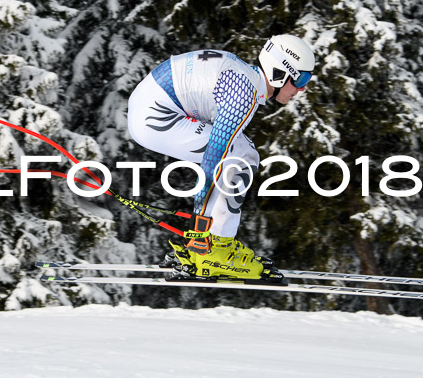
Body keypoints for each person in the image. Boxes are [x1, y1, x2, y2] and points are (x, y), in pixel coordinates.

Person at [127, 34, 315, 282]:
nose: (301, 88)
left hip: (150, 106)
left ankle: (209, 244)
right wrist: (200, 226)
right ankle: (216, 250)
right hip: (155, 116)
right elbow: (215, 158)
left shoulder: (245, 79)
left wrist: (198, 227)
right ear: (280, 72)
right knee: (240, 155)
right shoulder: (243, 94)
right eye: (301, 78)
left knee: (241, 151)